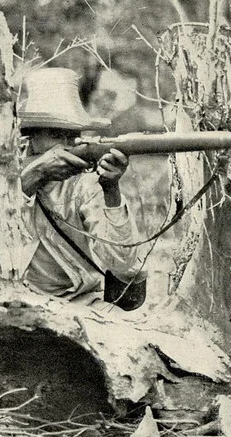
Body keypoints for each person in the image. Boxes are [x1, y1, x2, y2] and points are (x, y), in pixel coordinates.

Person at [16, 67, 147, 307]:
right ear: (29, 137)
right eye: (56, 135)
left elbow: (123, 265)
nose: (67, 145)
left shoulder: (86, 184)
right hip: (13, 303)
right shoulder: (2, 179)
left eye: (73, 136)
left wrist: (111, 191)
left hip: (80, 305)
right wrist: (31, 178)